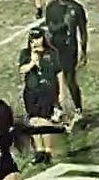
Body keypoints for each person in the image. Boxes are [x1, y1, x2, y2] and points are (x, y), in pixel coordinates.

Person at [17, 28, 64, 165]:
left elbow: (59, 73)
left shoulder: (52, 53)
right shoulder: (25, 54)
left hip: (47, 91)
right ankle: (39, 150)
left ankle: (48, 151)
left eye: (37, 39)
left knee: (44, 121)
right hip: (31, 92)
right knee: (34, 121)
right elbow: (22, 69)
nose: (35, 42)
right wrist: (32, 62)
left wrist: (61, 92)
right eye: (32, 40)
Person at [44, 0, 88, 119]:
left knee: (70, 80)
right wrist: (64, 23)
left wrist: (84, 50)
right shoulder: (51, 7)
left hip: (70, 48)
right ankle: (57, 107)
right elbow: (51, 28)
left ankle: (78, 108)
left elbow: (83, 31)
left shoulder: (77, 8)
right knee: (53, 79)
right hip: (54, 47)